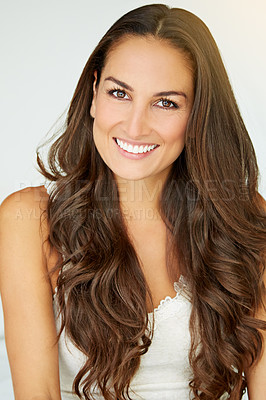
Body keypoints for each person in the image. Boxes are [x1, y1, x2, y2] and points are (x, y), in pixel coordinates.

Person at [0, 3, 265, 400]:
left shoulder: (246, 217)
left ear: (198, 115)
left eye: (166, 102)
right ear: (93, 94)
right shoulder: (29, 220)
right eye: (119, 93)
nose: (135, 126)